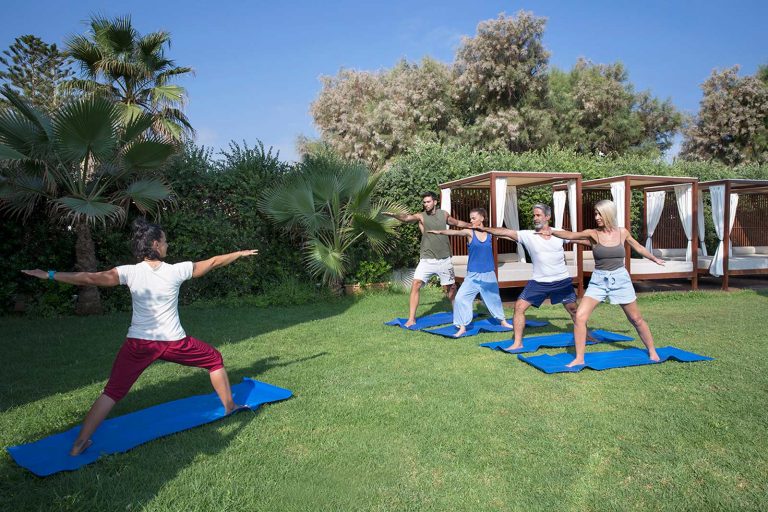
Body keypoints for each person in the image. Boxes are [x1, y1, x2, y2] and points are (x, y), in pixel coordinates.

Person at [21, 219, 259, 456]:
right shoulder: (176, 270)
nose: (167, 245)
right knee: (214, 359)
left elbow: (90, 278)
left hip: (138, 344)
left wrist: (49, 274)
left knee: (112, 391)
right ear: (155, 244)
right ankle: (229, 407)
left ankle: (79, 443)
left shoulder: (130, 272)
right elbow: (214, 262)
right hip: (174, 343)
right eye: (165, 241)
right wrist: (239, 253)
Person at [537, 199, 664, 366]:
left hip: (620, 279)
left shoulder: (622, 232)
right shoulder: (593, 233)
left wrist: (654, 258)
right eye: (595, 213)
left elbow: (638, 247)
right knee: (580, 317)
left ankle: (652, 350)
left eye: (599, 214)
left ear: (608, 215)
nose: (596, 217)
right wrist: (550, 230)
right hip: (599, 280)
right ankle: (579, 358)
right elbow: (570, 235)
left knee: (636, 319)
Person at [478, 204, 587, 350]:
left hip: (561, 281)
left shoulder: (559, 233)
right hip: (539, 282)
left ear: (547, 217)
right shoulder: (527, 235)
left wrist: (601, 242)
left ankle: (588, 335)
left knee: (574, 310)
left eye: (538, 215)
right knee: (519, 307)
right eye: (534, 215)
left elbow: (580, 239)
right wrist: (484, 229)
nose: (535, 218)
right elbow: (505, 232)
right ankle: (517, 342)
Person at [384, 191, 470, 328]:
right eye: (424, 202)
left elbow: (457, 222)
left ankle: (458, 317)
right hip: (427, 260)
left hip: (444, 259)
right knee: (416, 284)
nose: (426, 204)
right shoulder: (421, 216)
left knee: (451, 289)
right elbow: (406, 217)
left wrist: (471, 226)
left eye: (428, 202)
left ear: (435, 202)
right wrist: (395, 215)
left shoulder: (444, 214)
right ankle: (411, 319)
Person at [428, 207, 513, 337]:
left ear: (482, 219)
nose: (471, 220)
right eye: (470, 218)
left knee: (494, 298)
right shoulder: (469, 233)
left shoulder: (490, 233)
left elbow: (507, 234)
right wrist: (439, 232)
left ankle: (502, 321)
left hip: (489, 273)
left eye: (473, 218)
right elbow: (454, 233)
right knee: (461, 298)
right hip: (472, 275)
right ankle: (462, 326)